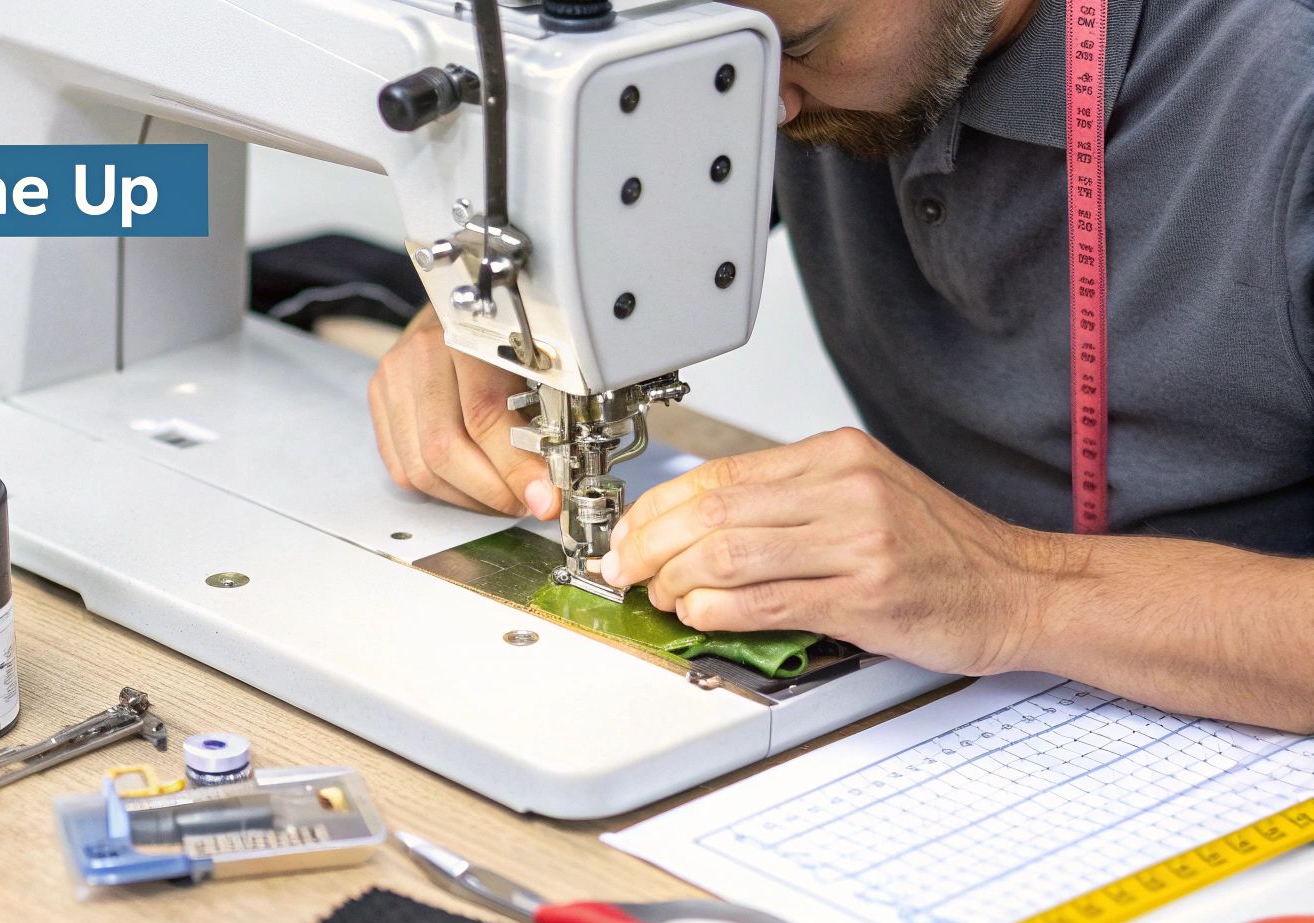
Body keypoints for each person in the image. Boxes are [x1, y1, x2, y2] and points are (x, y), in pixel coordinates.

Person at [366, 0, 1314, 731]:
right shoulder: (770, 47)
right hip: (951, 696)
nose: (750, 102)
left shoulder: (1286, 90)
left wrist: (1021, 588)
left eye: (800, 45)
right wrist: (479, 311)